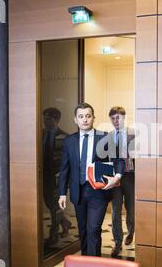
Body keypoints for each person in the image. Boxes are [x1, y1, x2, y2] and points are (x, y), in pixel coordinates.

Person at [58, 102, 124, 257]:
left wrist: (117, 178)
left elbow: (119, 160)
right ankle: (86, 262)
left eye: (88, 116)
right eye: (81, 116)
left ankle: (93, 266)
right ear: (75, 119)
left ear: (93, 118)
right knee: (82, 229)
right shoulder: (69, 141)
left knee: (93, 228)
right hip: (78, 192)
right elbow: (64, 169)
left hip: (98, 191)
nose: (85, 120)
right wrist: (62, 193)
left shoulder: (105, 138)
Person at [108, 106, 135, 257]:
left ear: (124, 117)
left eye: (118, 117)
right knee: (115, 212)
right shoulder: (109, 136)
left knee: (131, 210)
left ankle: (131, 232)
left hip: (131, 176)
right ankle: (117, 241)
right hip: (115, 178)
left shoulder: (134, 134)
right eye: (112, 118)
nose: (116, 121)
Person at [42, 107, 71, 247]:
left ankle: (53, 234)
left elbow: (64, 161)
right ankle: (65, 222)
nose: (45, 122)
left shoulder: (64, 137)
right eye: (44, 119)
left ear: (56, 120)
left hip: (57, 177)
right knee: (49, 203)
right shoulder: (40, 134)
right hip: (44, 176)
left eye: (48, 119)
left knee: (54, 206)